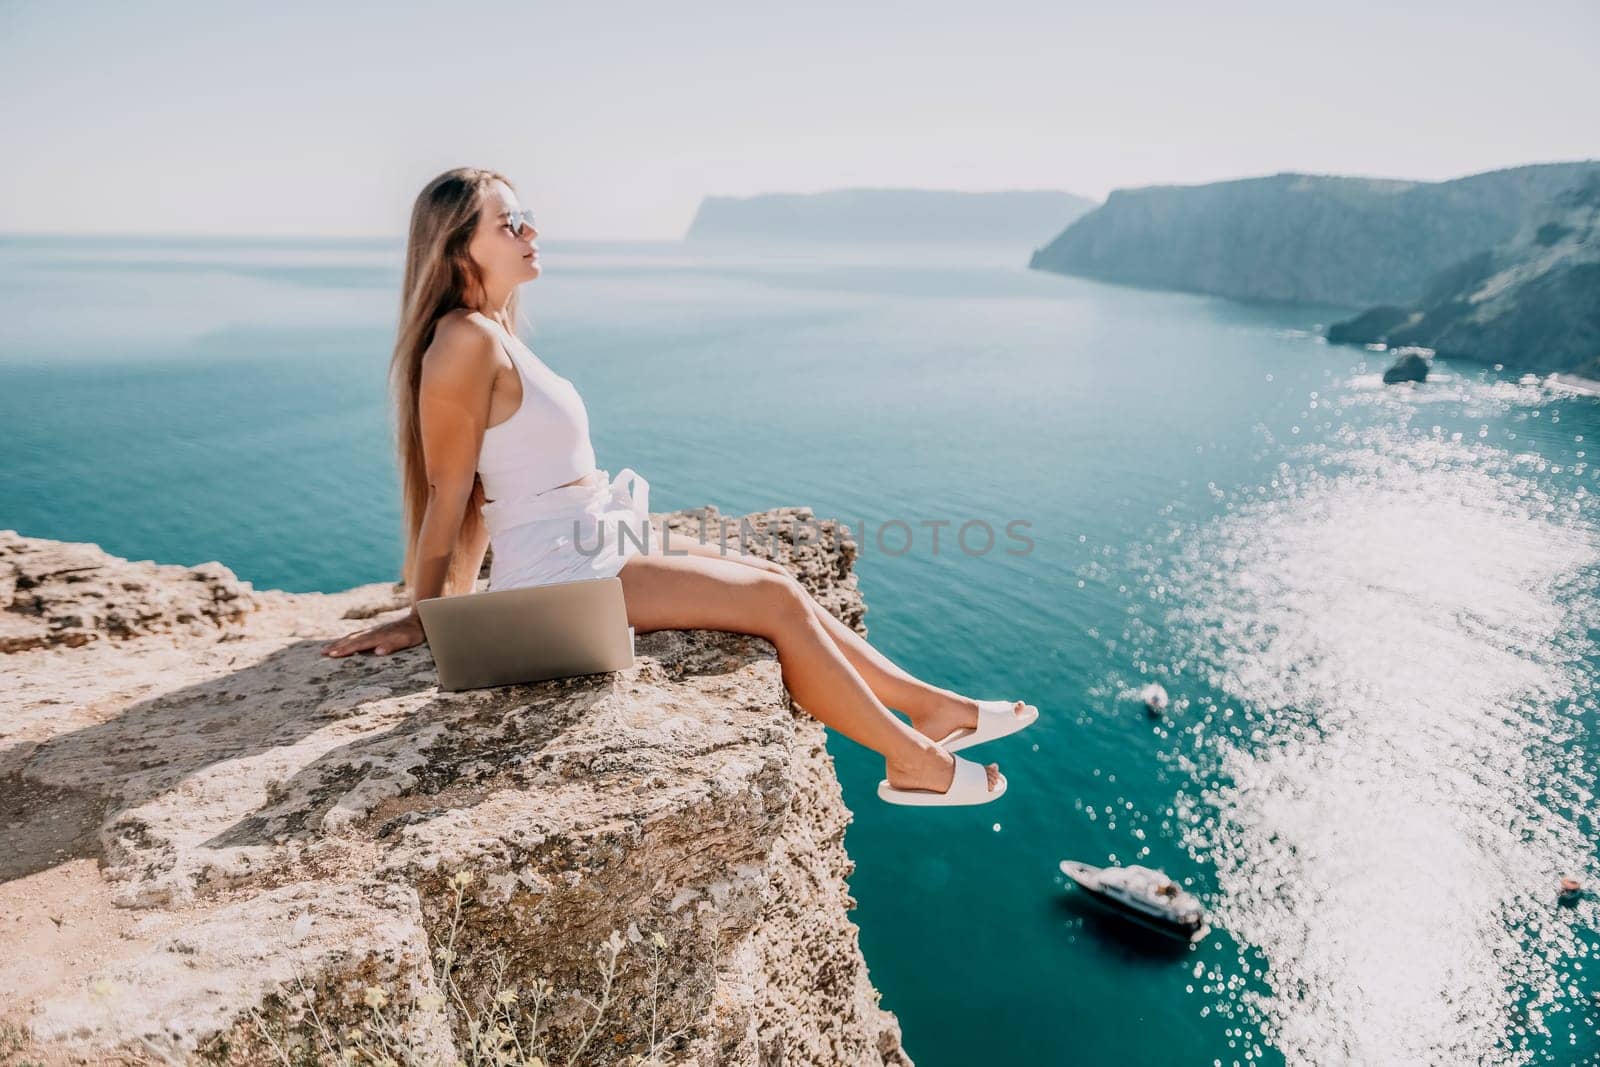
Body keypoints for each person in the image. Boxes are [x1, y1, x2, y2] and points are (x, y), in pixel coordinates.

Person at [322, 167, 1036, 805]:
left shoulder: (493, 331)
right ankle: (910, 758)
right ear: (457, 248)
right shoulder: (461, 341)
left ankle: (933, 706)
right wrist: (428, 616)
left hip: (591, 535)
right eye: (508, 223)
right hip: (559, 567)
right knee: (775, 601)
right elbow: (454, 494)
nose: (531, 230)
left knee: (767, 569)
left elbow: (481, 488)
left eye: (525, 215)